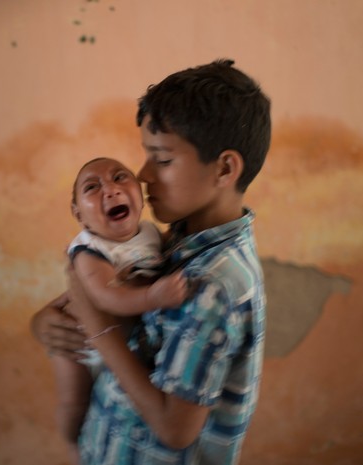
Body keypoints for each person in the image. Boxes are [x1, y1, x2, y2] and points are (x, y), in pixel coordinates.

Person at [31, 58, 271, 465]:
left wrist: (99, 330)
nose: (142, 174)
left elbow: (175, 429)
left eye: (161, 159)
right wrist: (49, 323)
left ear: (225, 168)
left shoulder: (213, 285)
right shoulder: (179, 239)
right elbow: (106, 300)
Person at [52, 157, 188, 464]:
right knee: (75, 402)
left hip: (115, 341)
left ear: (140, 197)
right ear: (78, 214)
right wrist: (153, 295)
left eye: (119, 177)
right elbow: (105, 297)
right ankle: (73, 447)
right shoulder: (89, 250)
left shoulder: (152, 234)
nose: (110, 190)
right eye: (92, 187)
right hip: (80, 345)